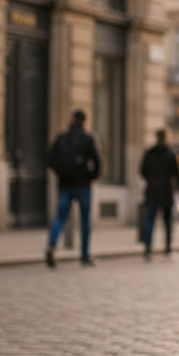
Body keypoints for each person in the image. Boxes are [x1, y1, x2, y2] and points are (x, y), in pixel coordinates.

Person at [45, 110, 101, 267]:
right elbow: (97, 162)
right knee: (84, 221)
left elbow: (50, 160)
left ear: (72, 120)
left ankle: (51, 246)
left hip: (64, 185)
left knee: (60, 217)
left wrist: (60, 174)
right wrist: (90, 177)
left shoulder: (61, 137)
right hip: (83, 186)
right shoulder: (88, 138)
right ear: (85, 121)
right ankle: (84, 255)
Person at [140, 129, 179, 257]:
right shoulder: (170, 153)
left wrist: (151, 180)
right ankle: (168, 247)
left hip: (152, 191)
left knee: (150, 220)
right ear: (166, 137)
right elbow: (177, 174)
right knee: (167, 221)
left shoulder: (149, 153)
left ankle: (147, 248)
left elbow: (142, 171)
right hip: (166, 191)